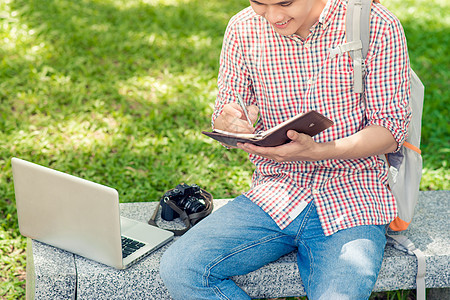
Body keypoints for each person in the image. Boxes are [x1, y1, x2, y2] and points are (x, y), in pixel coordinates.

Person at [160, 0, 411, 299]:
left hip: (354, 195)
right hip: (275, 192)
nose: (273, 16)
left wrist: (319, 151)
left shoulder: (377, 24)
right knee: (182, 268)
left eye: (285, 3)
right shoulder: (242, 28)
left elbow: (390, 131)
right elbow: (227, 105)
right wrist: (231, 119)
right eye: (259, 3)